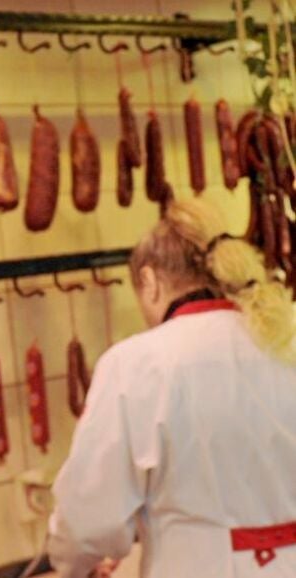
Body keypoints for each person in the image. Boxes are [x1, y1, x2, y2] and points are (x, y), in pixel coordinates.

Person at [47, 198, 296, 577]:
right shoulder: (284, 340)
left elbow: (89, 519)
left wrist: (72, 565)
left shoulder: (136, 364)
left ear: (149, 281)